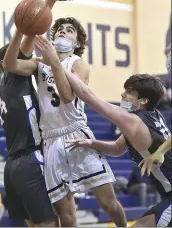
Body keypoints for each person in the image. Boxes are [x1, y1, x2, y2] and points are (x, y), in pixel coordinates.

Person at [32, 40, 171, 227]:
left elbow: (87, 96)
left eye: (129, 93)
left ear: (143, 100)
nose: (122, 95)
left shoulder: (133, 121)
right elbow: (117, 148)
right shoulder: (152, 117)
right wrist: (92, 143)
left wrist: (55, 64)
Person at [3, 19, 128, 226]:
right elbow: (9, 65)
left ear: (77, 43)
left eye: (69, 31)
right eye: (59, 30)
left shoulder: (78, 64)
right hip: (51, 141)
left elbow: (68, 96)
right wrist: (21, 30)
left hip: (77, 134)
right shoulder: (39, 63)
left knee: (108, 204)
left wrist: (54, 62)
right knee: (66, 214)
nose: (63, 32)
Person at [0, 0, 74, 227]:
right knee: (50, 223)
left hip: (13, 165)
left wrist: (49, 3)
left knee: (33, 224)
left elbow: (32, 31)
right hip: (30, 159)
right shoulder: (15, 76)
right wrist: (48, 3)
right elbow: (31, 33)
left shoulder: (5, 88)